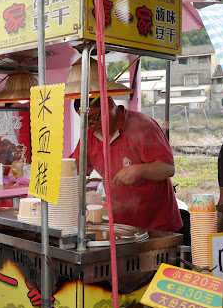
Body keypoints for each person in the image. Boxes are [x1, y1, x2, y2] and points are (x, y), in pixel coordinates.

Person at [73, 97, 182, 233]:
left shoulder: (142, 126)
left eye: (95, 117)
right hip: (121, 226)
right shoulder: (90, 135)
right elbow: (73, 168)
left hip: (157, 225)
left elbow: (167, 168)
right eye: (86, 121)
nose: (92, 125)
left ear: (110, 105)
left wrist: (136, 170)